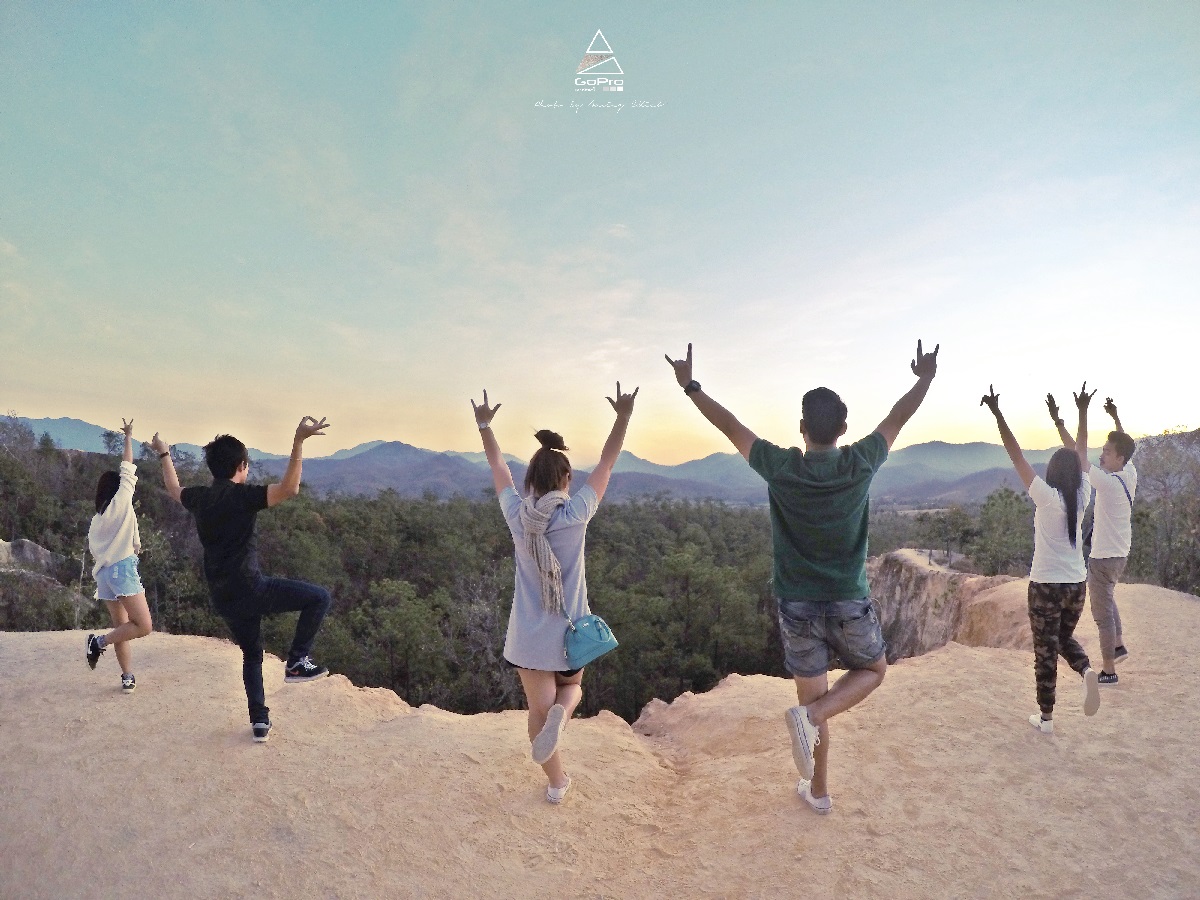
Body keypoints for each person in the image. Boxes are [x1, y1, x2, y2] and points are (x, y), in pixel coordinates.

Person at [664, 340, 939, 814]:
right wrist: (925, 378)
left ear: (801, 429)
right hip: (848, 598)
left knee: (814, 700)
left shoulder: (782, 466)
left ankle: (819, 784)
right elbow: (899, 416)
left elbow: (731, 426)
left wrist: (691, 386)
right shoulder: (859, 461)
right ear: (844, 429)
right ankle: (816, 772)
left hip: (797, 604)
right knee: (872, 671)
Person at [471, 384, 637, 804]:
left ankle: (557, 784)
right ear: (566, 480)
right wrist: (622, 416)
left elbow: (498, 467)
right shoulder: (576, 513)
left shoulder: (516, 514)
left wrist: (485, 425)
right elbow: (607, 461)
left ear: (529, 481)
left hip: (529, 637)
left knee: (537, 713)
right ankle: (564, 714)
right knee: (572, 687)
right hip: (570, 631)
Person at [150, 417, 334, 743]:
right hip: (251, 588)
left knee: (252, 652)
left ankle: (259, 721)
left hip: (222, 597)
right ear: (241, 466)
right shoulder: (242, 497)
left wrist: (164, 453)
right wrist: (298, 441)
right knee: (319, 598)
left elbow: (173, 489)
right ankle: (296, 661)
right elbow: (289, 489)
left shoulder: (201, 498)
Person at [982, 385, 1101, 734]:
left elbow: (1016, 455)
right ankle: (1085, 670)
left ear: (1052, 472)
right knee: (1062, 639)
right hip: (1076, 584)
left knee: (1045, 652)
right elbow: (1081, 451)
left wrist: (998, 414)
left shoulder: (1047, 497)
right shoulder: (1083, 495)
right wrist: (1082, 412)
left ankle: (1046, 718)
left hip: (1046, 585)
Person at [1046, 390, 1137, 683]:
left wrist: (1073, 417)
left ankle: (1109, 671)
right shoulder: (1130, 473)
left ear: (1119, 458)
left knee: (1101, 614)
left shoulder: (1108, 482)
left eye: (1107, 452)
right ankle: (1118, 644)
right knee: (1107, 596)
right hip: (1120, 554)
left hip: (1103, 557)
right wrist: (1115, 417)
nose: (1102, 454)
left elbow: (1078, 455)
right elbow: (1126, 444)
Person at [86, 418, 154, 692]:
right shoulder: (122, 501)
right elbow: (128, 467)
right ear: (117, 489)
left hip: (103, 575)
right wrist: (128, 436)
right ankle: (98, 642)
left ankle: (127, 676)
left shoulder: (97, 519)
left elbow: (95, 550)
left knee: (121, 626)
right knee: (144, 625)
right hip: (121, 569)